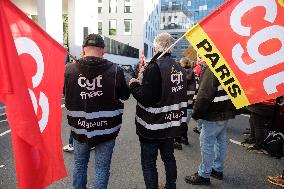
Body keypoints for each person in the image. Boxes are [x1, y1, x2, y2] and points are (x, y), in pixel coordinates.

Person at [64, 34, 130, 189]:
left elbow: (65, 93)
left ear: (83, 50)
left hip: (79, 127)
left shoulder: (69, 69)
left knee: (80, 163)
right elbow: (125, 95)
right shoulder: (115, 70)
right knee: (102, 167)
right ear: (102, 50)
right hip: (107, 128)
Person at [129, 32, 188, 189]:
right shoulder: (180, 69)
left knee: (149, 163)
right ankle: (171, 186)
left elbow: (146, 98)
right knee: (169, 158)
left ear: (156, 47)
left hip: (152, 126)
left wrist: (134, 84)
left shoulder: (155, 67)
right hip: (170, 125)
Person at [184, 66, 237, 186]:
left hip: (213, 111)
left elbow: (204, 94)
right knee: (220, 140)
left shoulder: (212, 67)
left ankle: (204, 174)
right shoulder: (229, 65)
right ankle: (217, 169)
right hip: (226, 109)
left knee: (207, 142)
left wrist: (196, 113)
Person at [173, 57, 195, 150]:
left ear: (184, 63)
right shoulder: (192, 72)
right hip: (190, 101)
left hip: (182, 100)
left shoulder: (182, 73)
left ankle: (177, 141)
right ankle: (184, 138)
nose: (179, 63)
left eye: (180, 62)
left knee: (179, 121)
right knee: (184, 122)